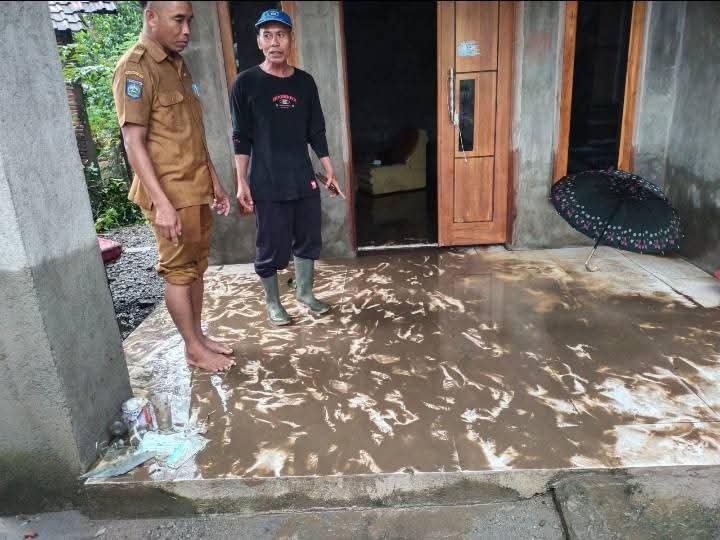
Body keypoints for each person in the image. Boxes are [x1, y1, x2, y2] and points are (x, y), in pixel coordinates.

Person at [112, 1, 235, 372]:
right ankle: (192, 348)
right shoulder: (135, 68)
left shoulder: (176, 64)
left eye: (189, 21)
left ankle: (198, 337)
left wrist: (215, 181)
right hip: (170, 193)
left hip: (195, 187)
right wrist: (162, 203)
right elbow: (133, 142)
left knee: (195, 268)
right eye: (178, 20)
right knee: (180, 272)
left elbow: (192, 133)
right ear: (151, 17)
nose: (186, 31)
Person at [230, 8, 345, 326]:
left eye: (280, 34)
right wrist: (241, 180)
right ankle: (273, 302)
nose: (274, 42)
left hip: (302, 178)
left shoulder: (305, 83)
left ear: (291, 39)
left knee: (308, 237)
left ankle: (305, 292)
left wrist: (329, 168)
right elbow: (241, 137)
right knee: (271, 244)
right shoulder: (245, 84)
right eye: (267, 35)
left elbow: (316, 130)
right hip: (266, 180)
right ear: (258, 41)